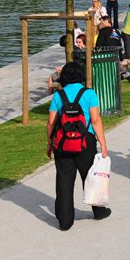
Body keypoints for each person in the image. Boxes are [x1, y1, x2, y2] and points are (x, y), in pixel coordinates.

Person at [45, 62, 111, 230]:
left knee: (64, 180)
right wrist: (103, 144)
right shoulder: (89, 94)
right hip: (85, 142)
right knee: (91, 177)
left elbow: (51, 123)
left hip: (63, 142)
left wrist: (49, 143)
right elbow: (95, 120)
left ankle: (65, 221)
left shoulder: (58, 96)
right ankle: (99, 211)